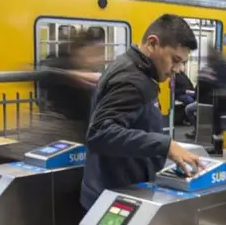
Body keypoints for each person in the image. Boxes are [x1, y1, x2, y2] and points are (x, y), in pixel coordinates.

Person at [80, 14, 201, 211]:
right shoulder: (131, 80)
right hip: (111, 195)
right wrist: (166, 145)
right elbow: (100, 132)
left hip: (111, 188)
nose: (177, 69)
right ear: (152, 44)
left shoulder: (134, 69)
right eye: (175, 60)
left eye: (182, 63)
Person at [35, 31, 103, 144]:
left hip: (85, 129)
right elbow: (45, 74)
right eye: (94, 52)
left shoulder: (93, 71)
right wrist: (74, 75)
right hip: (63, 128)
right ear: (79, 50)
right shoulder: (61, 62)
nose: (99, 58)